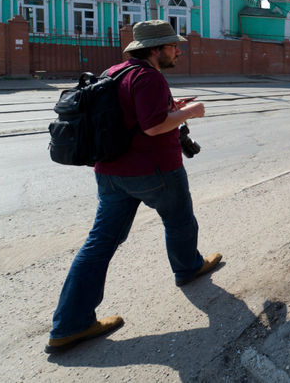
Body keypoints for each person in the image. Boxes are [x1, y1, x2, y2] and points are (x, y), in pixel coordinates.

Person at [44, 20, 221, 354]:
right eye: (172, 46)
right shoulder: (149, 76)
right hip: (154, 171)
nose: (177, 50)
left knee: (100, 244)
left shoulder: (116, 71)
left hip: (110, 173)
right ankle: (188, 268)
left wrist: (172, 108)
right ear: (154, 50)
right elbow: (154, 127)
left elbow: (131, 115)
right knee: (180, 220)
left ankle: (69, 324)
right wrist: (191, 113)